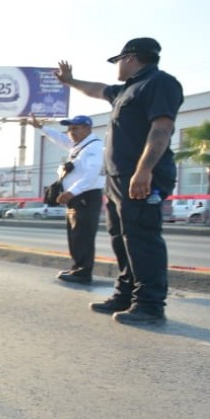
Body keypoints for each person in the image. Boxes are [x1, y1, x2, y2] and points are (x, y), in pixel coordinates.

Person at [55, 38, 183, 324]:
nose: (117, 67)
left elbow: (162, 129)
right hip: (117, 178)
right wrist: (71, 81)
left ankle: (150, 304)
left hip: (140, 176)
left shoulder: (160, 83)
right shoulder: (127, 90)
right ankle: (126, 295)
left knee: (142, 238)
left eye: (117, 61)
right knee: (121, 239)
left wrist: (144, 170)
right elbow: (97, 90)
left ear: (130, 58)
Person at [30, 115, 105, 285]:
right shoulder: (79, 146)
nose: (71, 133)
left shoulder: (93, 148)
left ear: (87, 129)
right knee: (75, 236)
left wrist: (72, 192)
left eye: (76, 129)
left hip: (86, 196)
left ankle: (83, 273)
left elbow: (91, 174)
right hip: (77, 197)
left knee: (82, 236)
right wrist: (41, 128)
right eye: (70, 129)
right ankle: (77, 268)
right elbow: (61, 139)